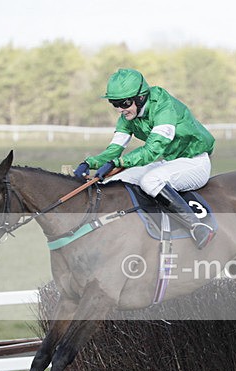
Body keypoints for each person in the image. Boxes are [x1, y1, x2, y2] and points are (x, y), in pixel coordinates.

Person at [74, 68, 216, 249]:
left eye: (124, 103)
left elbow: (152, 151)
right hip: (171, 162)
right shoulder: (127, 116)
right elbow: (113, 151)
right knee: (116, 180)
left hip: (195, 162)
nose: (120, 110)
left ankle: (197, 227)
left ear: (140, 97)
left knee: (150, 180)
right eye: (114, 103)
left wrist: (117, 163)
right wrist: (88, 163)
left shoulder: (164, 107)